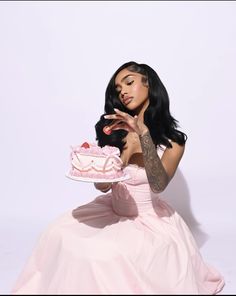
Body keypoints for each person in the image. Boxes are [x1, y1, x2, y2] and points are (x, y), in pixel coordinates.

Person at [12, 61, 225, 294]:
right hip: (111, 211)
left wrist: (143, 137)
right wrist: (125, 152)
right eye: (117, 88)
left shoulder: (173, 141)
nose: (122, 91)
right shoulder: (112, 130)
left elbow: (159, 185)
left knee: (103, 254)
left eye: (129, 82)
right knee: (56, 234)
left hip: (149, 221)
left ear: (149, 84)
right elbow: (102, 186)